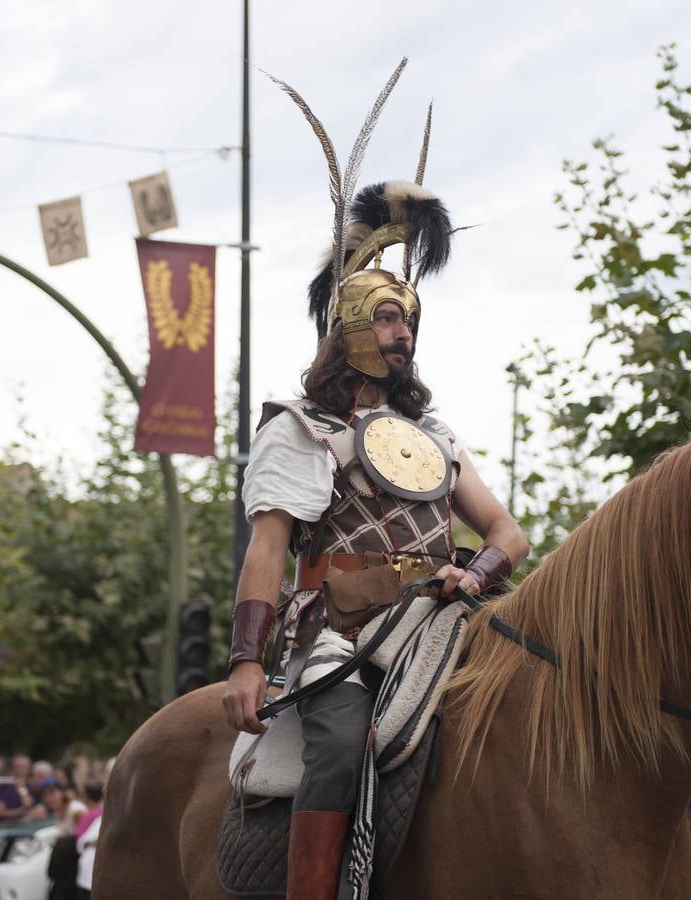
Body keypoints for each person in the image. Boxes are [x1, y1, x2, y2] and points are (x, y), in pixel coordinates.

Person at [221, 118, 530, 896]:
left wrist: (477, 570)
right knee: (341, 738)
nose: (404, 334)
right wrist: (248, 660)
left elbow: (505, 531)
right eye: (389, 319)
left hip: (441, 617)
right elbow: (268, 551)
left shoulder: (433, 433)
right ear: (352, 327)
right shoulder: (301, 429)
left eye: (410, 321)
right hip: (341, 630)